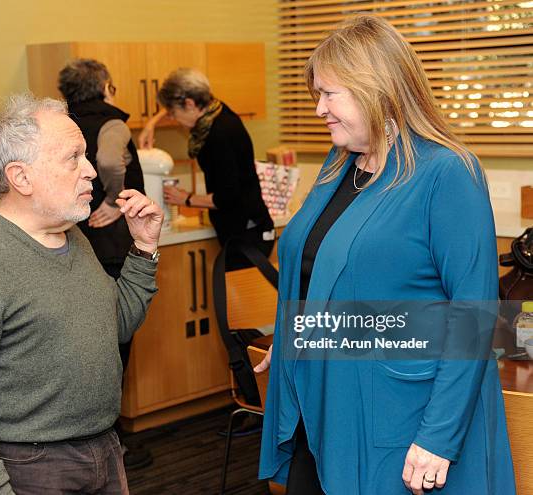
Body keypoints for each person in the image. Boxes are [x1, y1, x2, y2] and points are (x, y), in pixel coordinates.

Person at [254, 15, 516, 495]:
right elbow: (323, 272)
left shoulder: (446, 172)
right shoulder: (339, 165)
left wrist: (439, 438)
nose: (319, 109)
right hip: (322, 405)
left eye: (330, 94)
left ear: (377, 89)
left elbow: (475, 316)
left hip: (405, 423)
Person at [0, 94, 163, 495]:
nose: (91, 170)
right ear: (21, 177)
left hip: (105, 448)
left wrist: (143, 248)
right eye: (73, 158)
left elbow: (117, 325)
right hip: (29, 467)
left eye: (86, 156)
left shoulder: (74, 238)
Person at [58, 58, 152, 469]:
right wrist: (115, 200)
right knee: (117, 339)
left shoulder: (65, 127)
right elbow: (113, 163)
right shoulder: (113, 122)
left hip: (76, 244)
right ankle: (112, 445)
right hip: (112, 245)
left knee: (84, 342)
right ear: (107, 87)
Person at [138, 68, 275, 270]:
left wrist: (185, 199)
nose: (173, 119)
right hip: (246, 230)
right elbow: (179, 101)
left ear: (190, 104)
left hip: (249, 235)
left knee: (238, 299)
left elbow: (228, 197)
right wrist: (152, 123)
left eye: (174, 113)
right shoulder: (216, 110)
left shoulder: (219, 136)